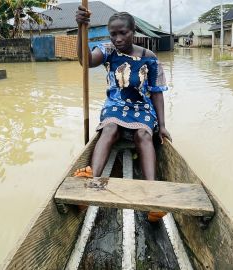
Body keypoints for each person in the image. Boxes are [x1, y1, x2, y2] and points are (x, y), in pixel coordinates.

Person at [75, 6, 171, 222]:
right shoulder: (108, 50)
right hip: (115, 105)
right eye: (113, 34)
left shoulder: (150, 57)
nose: (117, 38)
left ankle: (152, 196)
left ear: (133, 31)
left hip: (141, 108)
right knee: (109, 128)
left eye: (123, 33)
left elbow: (156, 93)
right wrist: (81, 28)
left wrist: (162, 125)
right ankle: (92, 179)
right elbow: (86, 61)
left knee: (144, 136)